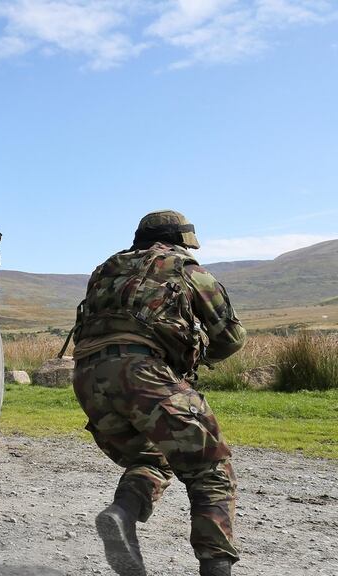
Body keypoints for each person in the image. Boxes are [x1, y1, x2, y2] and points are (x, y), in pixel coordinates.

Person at [69, 210, 246, 576]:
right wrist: (200, 358)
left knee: (152, 457)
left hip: (88, 380)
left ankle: (122, 513)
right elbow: (230, 337)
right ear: (180, 240)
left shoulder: (105, 270)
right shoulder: (184, 267)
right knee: (209, 468)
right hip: (144, 375)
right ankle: (216, 569)